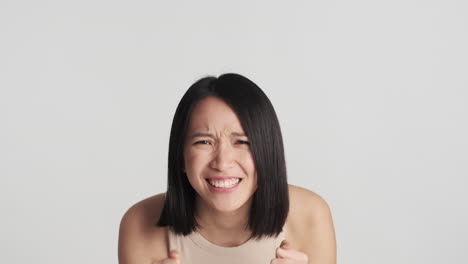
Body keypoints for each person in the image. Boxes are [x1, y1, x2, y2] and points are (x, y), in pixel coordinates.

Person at [118, 73, 336, 264]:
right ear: (180, 155)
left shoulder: (309, 215)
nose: (222, 163)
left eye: (242, 142)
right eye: (204, 142)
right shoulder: (140, 224)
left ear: (268, 152)